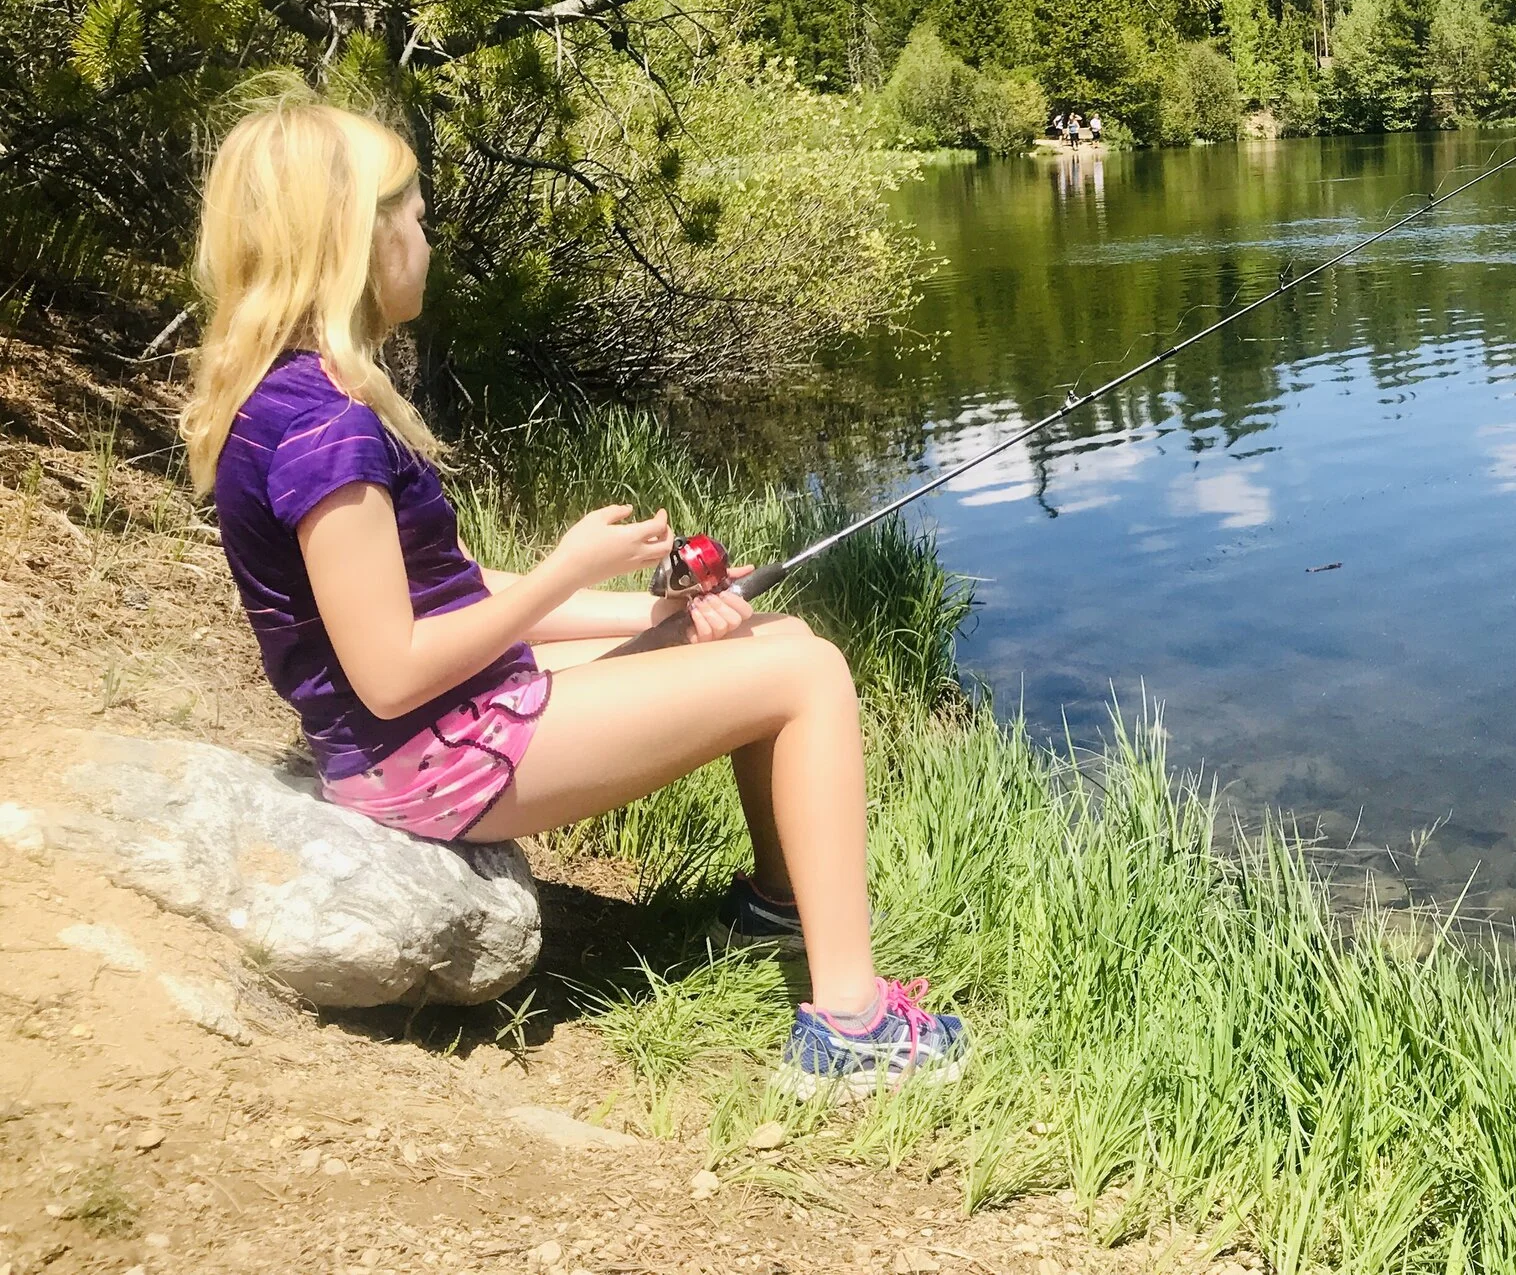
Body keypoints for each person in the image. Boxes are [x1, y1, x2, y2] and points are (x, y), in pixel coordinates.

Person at [178, 92, 966, 1098]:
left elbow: (443, 599)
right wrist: (567, 570)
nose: (425, 234)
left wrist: (655, 616)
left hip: (426, 731)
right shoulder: (324, 432)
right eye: (410, 213)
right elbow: (390, 673)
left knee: (775, 633)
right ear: (357, 242)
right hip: (431, 754)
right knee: (809, 675)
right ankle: (851, 1029)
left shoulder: (294, 397)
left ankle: (778, 905)